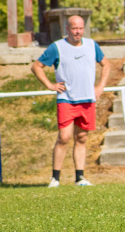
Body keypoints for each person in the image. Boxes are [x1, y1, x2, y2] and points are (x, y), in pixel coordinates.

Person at [31, 15, 110, 187]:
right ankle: (55, 178)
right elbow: (36, 66)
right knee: (64, 137)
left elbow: (106, 64)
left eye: (81, 28)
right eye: (74, 28)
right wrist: (50, 85)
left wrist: (100, 86)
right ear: (67, 29)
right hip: (67, 99)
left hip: (87, 99)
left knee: (81, 137)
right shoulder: (57, 47)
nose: (78, 32)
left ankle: (80, 178)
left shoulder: (91, 45)